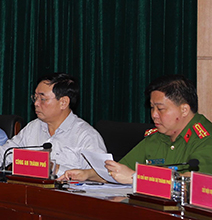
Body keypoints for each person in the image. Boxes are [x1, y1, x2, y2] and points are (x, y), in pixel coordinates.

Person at [61, 75, 212, 183]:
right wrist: (87, 174)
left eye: (160, 109)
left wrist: (136, 178)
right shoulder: (157, 137)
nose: (154, 115)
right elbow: (121, 171)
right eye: (152, 108)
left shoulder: (206, 139)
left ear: (184, 110)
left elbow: (195, 183)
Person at [0, 73, 106, 174]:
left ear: (63, 102)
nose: (36, 103)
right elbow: (4, 154)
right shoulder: (34, 127)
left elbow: (101, 177)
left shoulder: (86, 136)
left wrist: (54, 169)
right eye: (35, 97)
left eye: (43, 99)